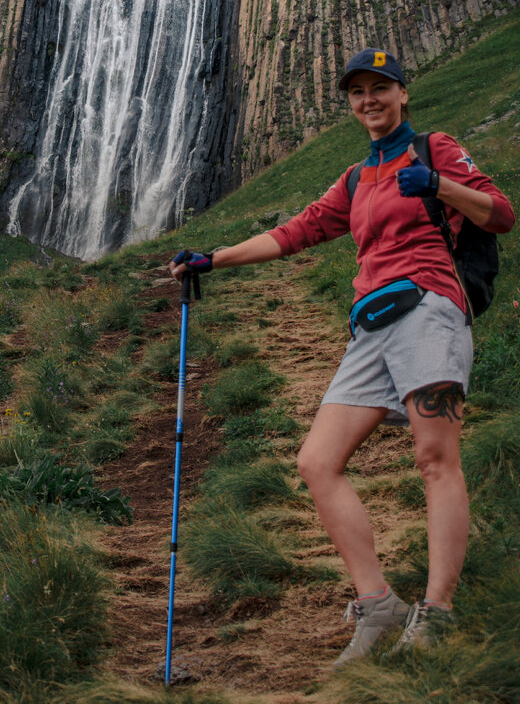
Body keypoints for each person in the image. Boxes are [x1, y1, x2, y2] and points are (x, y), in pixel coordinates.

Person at [170, 47, 514, 666]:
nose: (369, 100)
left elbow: (503, 215)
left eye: (380, 88)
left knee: (435, 459)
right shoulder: (356, 179)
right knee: (316, 461)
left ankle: (437, 612)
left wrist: (438, 184)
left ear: (402, 94)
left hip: (429, 309)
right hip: (369, 329)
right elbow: (295, 232)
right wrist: (212, 258)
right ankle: (378, 604)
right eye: (357, 92)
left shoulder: (435, 147)